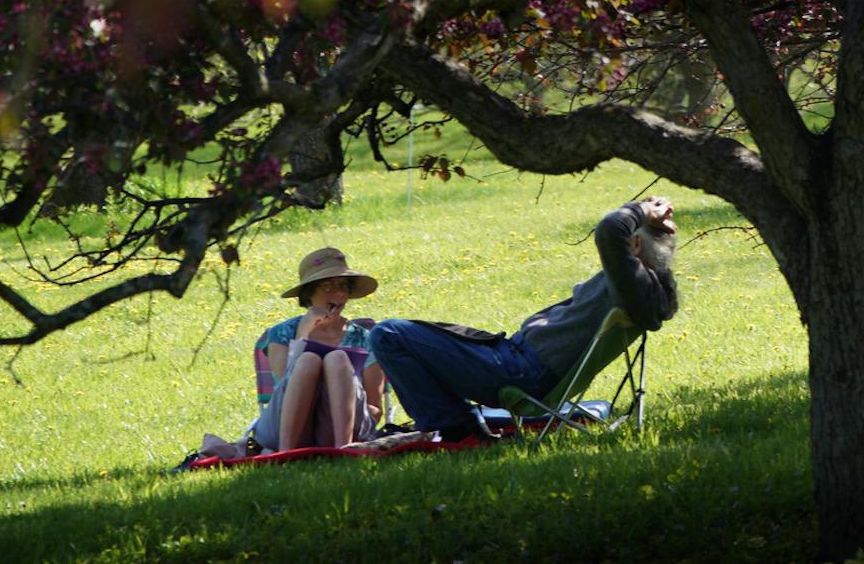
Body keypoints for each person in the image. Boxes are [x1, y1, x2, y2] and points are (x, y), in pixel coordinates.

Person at [369, 197, 679, 444]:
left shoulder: (634, 283)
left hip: (520, 372)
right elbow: (616, 231)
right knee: (411, 335)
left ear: (635, 245)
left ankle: (457, 430)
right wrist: (648, 210)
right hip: (517, 362)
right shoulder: (644, 290)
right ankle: (456, 424)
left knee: (387, 334)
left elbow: (610, 229)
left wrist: (642, 210)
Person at [193, 246, 386, 461]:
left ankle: (345, 450)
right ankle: (286, 454)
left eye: (343, 286)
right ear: (309, 293)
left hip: (342, 427)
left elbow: (375, 408)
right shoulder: (282, 333)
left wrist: (343, 395)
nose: (339, 293)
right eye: (328, 286)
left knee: (338, 358)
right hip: (287, 425)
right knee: (308, 360)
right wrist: (304, 333)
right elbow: (284, 384)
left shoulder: (364, 338)